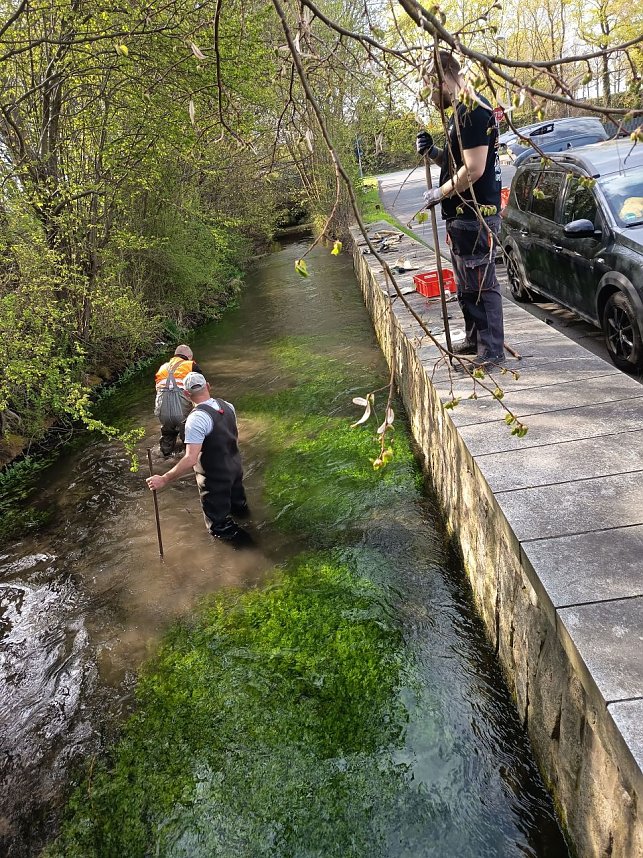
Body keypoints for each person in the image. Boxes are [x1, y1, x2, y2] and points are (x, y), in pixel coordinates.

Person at [416, 50, 504, 369]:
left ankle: (492, 350)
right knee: (466, 284)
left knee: (481, 284)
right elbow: (457, 163)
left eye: (429, 87)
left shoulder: (472, 109)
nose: (429, 96)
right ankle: (475, 338)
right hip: (462, 217)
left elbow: (475, 169)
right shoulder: (459, 111)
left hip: (476, 215)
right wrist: (435, 153)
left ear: (442, 78)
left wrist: (439, 192)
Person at [146, 371, 252, 547]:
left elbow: (190, 459)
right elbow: (232, 437)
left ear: (186, 395)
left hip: (215, 480)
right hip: (235, 470)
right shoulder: (228, 406)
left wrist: (164, 479)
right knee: (240, 509)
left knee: (219, 528)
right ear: (208, 386)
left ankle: (256, 553)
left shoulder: (196, 419)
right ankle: (254, 528)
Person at [154, 345, 201, 457]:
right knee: (190, 441)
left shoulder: (162, 368)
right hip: (182, 412)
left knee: (167, 436)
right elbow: (200, 389)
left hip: (163, 413)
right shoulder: (191, 365)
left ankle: (164, 458)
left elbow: (158, 390)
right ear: (189, 356)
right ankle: (189, 463)